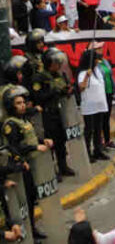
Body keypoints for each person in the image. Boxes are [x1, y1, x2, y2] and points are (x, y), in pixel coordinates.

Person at [2, 87, 52, 240]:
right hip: (18, 169)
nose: (23, 105)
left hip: (30, 165)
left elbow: (31, 138)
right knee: (20, 204)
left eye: (23, 102)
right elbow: (15, 146)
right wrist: (35, 146)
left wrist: (43, 141)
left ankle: (32, 230)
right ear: (11, 106)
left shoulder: (23, 120)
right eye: (18, 103)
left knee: (30, 200)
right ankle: (20, 234)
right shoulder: (10, 125)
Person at [30, 48, 76, 176]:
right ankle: (52, 171)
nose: (59, 65)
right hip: (47, 115)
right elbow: (38, 96)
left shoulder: (60, 75)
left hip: (60, 113)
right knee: (50, 142)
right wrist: (54, 92)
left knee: (61, 141)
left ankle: (63, 166)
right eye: (56, 62)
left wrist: (67, 91)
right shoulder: (39, 78)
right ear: (48, 63)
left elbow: (64, 90)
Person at [77, 49, 110, 162]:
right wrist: (86, 76)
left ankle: (98, 150)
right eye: (95, 59)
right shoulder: (83, 73)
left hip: (99, 105)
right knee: (89, 130)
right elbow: (81, 87)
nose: (97, 61)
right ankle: (87, 152)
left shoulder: (97, 71)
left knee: (98, 128)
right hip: (89, 106)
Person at [92, 42, 115, 151]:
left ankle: (107, 140)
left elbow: (110, 75)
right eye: (98, 49)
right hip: (100, 94)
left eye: (101, 48)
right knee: (100, 119)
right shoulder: (93, 64)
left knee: (106, 118)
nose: (101, 50)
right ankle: (100, 141)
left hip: (108, 92)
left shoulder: (105, 61)